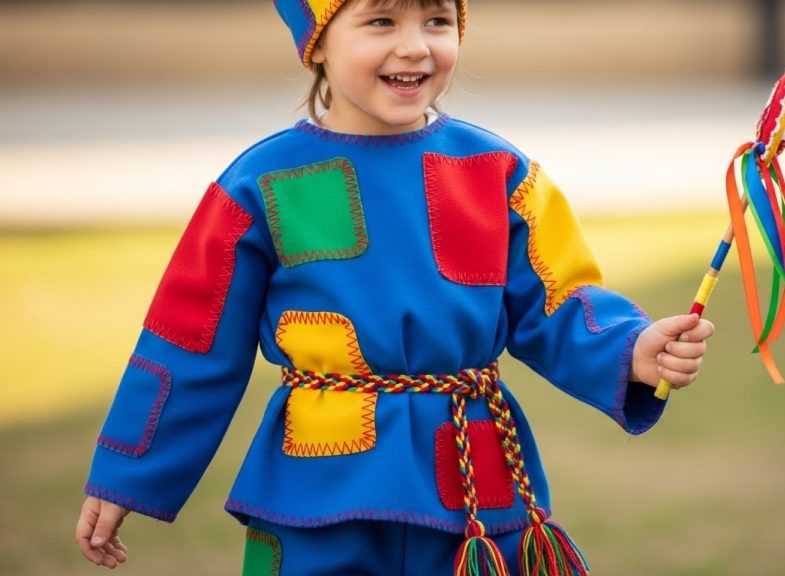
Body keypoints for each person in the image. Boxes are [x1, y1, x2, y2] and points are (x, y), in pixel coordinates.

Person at [74, 0, 715, 573]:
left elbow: (560, 302)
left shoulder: (497, 173)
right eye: (381, 20)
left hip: (475, 497)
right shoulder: (259, 183)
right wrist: (128, 472)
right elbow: (191, 340)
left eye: (437, 19)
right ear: (318, 41)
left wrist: (631, 349)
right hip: (318, 489)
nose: (415, 44)